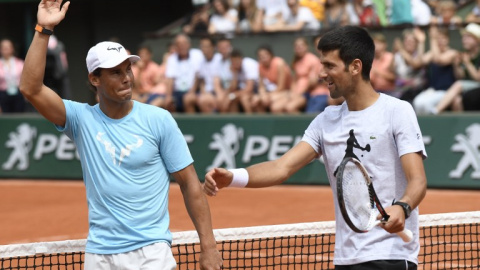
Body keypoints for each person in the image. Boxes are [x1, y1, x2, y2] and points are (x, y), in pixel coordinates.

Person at [19, 1, 222, 270]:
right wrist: (43, 29)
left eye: (128, 68)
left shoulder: (159, 120)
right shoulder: (81, 119)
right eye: (116, 72)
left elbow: (190, 185)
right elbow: (30, 89)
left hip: (152, 253)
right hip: (100, 256)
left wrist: (208, 247)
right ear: (94, 79)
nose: (127, 77)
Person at [204, 26, 427, 269]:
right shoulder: (326, 120)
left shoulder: (397, 111)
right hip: (346, 258)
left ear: (355, 67)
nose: (321, 73)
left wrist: (403, 207)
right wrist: (232, 177)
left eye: (329, 66)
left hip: (390, 257)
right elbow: (282, 167)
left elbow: (417, 181)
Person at [433, 23, 480, 114]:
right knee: (456, 100)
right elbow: (460, 76)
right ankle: (461, 126)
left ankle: (436, 111)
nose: (464, 40)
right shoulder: (464, 54)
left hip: (477, 87)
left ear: (477, 40)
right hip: (467, 88)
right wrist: (456, 65)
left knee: (458, 84)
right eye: (463, 37)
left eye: (468, 37)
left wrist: (468, 63)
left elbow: (478, 78)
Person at [165, 34, 205, 113]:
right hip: (177, 93)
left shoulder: (197, 54)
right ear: (175, 47)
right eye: (179, 44)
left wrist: (192, 92)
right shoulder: (171, 59)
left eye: (184, 43)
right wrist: (168, 96)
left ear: (189, 44)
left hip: (195, 91)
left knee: (188, 99)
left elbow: (198, 76)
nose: (181, 46)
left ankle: (192, 125)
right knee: (168, 102)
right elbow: (170, 79)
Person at [0, 38, 25, 113]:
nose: (6, 50)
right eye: (4, 48)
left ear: (12, 49)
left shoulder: (20, 63)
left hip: (18, 94)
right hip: (3, 95)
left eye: (8, 47)